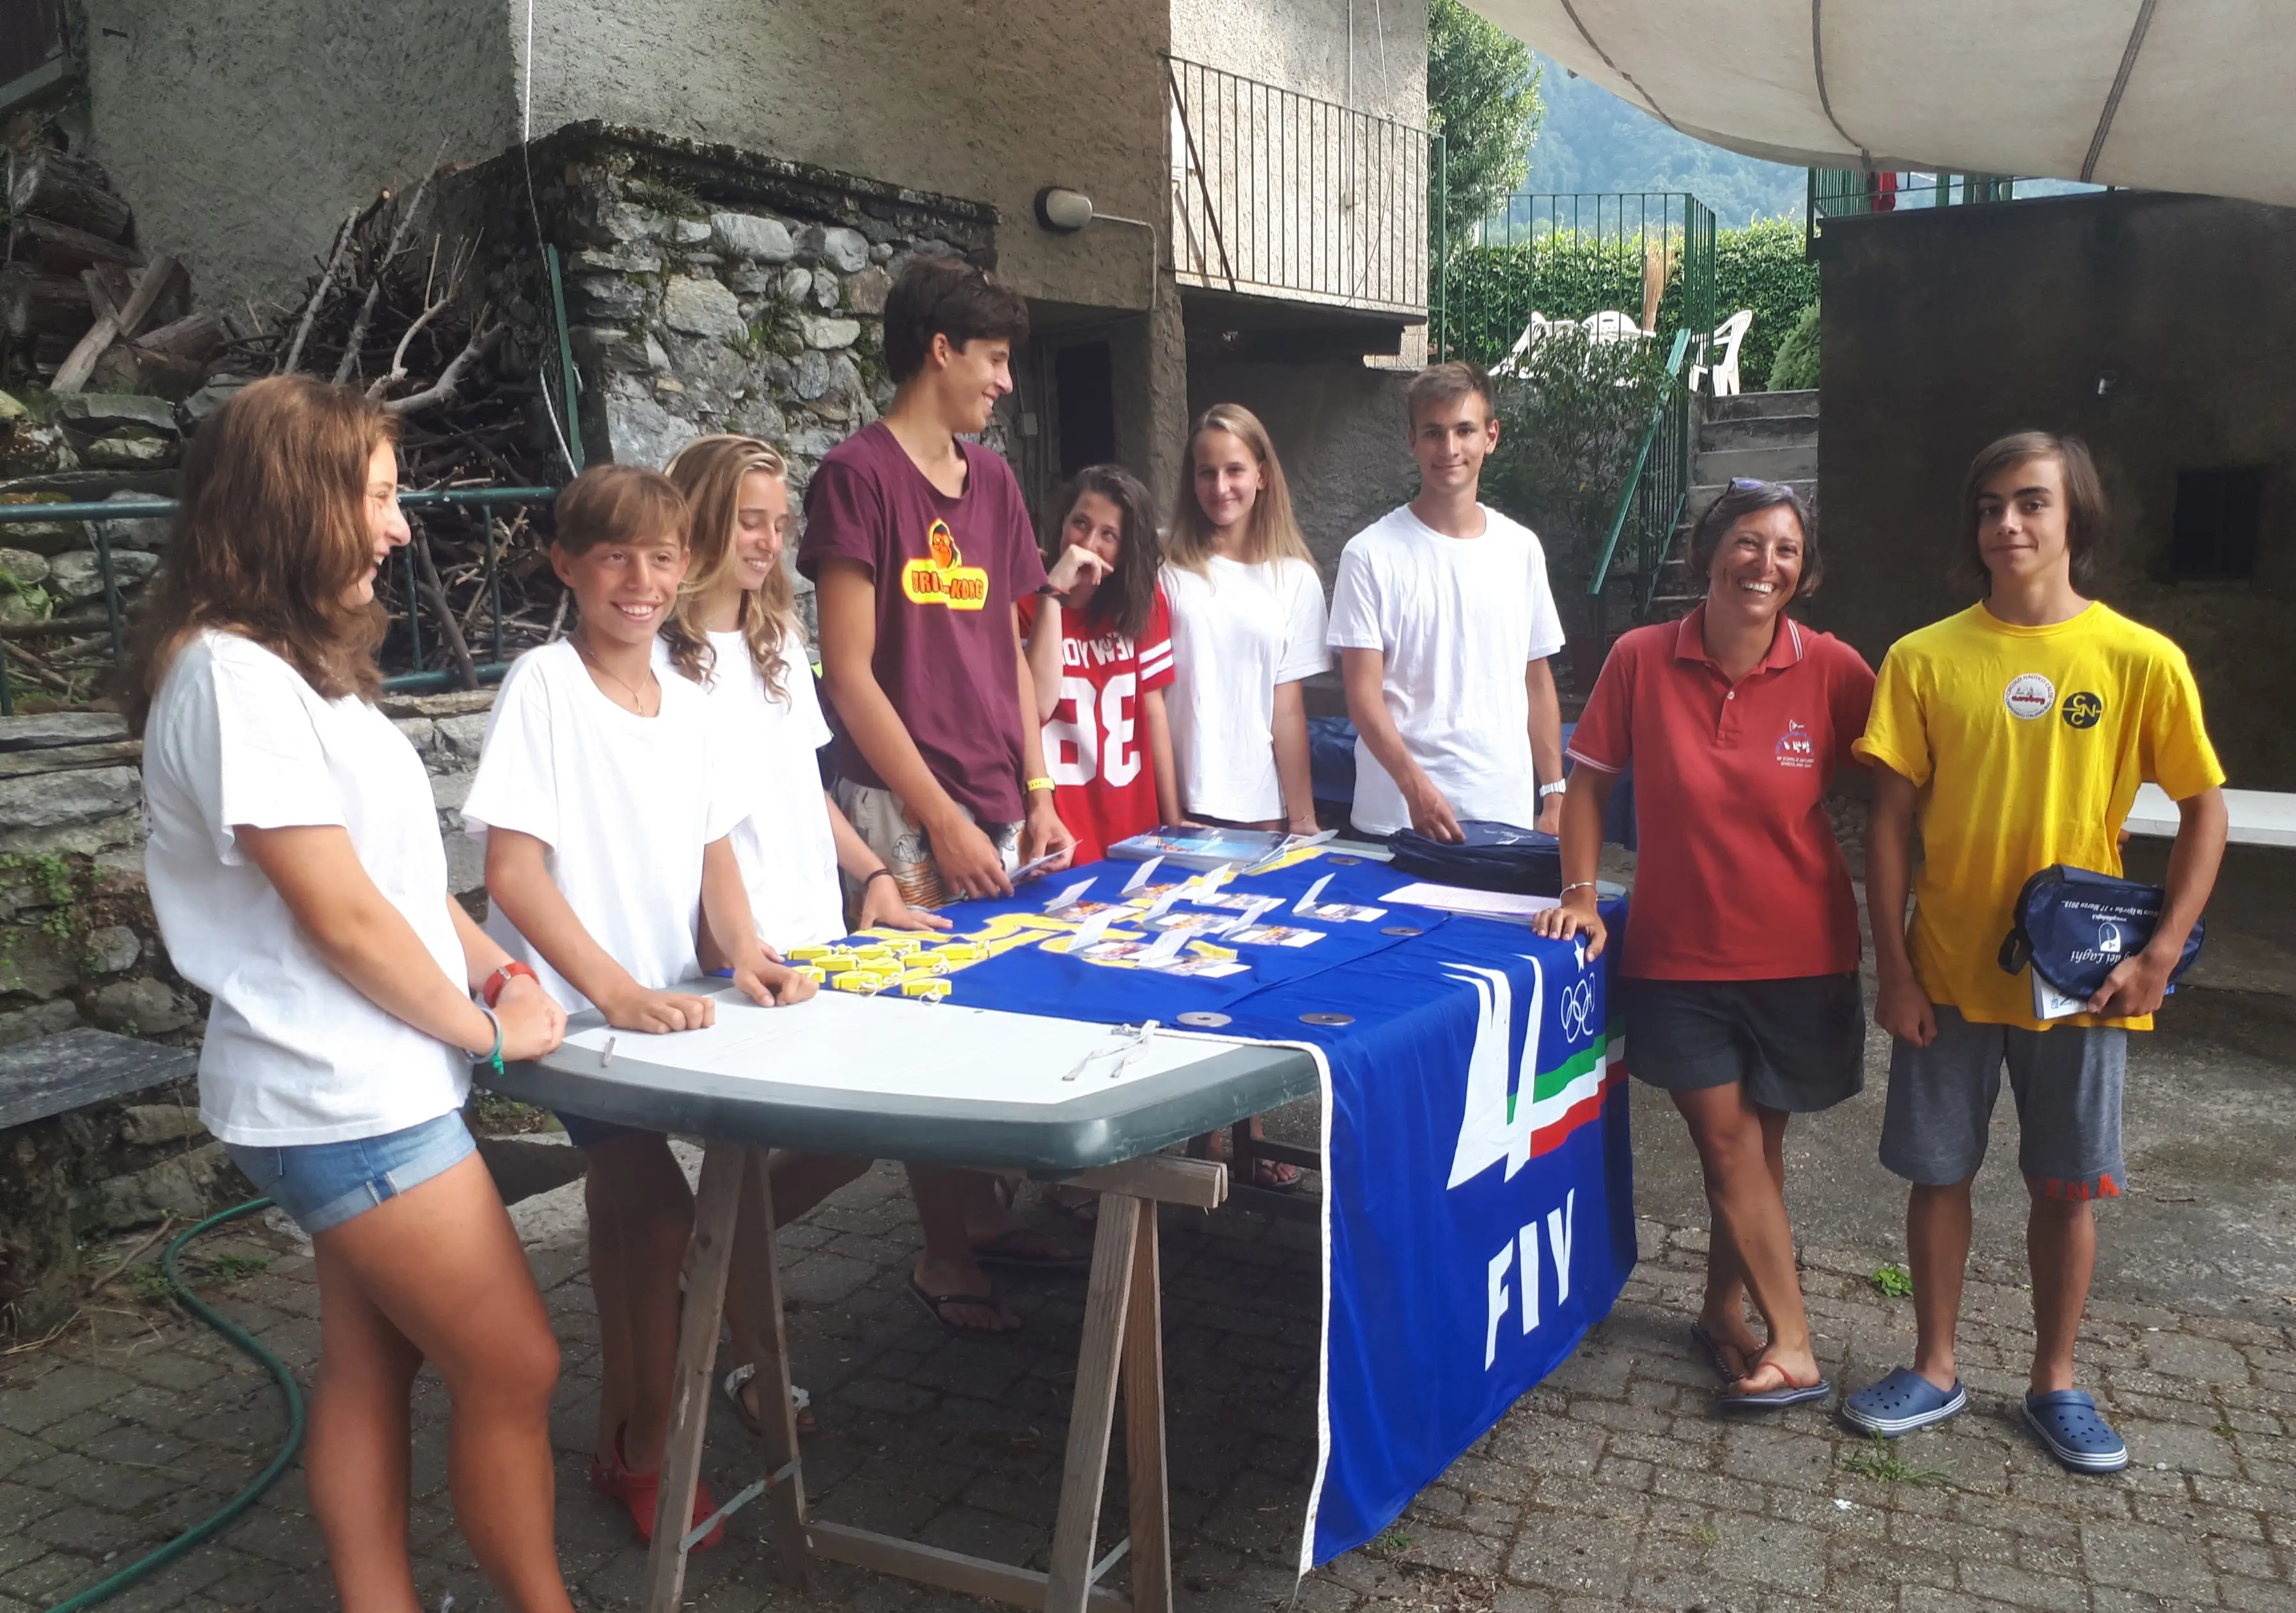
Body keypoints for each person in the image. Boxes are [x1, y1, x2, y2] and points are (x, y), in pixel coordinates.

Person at [133, 375, 577, 1613]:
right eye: (377, 495)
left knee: (373, 1366)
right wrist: (486, 1035)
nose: (398, 524)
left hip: (363, 1085)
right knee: (516, 1363)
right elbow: (335, 913)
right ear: (295, 501)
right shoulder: (230, 679)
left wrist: (492, 960)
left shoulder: (302, 669)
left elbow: (390, 878)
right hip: (345, 1097)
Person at [1846, 432, 2226, 1471]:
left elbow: (2205, 812)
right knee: (1938, 1174)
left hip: (2082, 985)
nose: (2006, 524)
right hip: (1948, 973)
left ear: (2075, 520)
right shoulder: (1922, 658)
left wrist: (2159, 956)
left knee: (2068, 1185)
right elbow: (1887, 824)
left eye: (2030, 503)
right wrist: (1896, 967)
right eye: (1987, 506)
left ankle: (2055, 1381)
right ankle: (1932, 1363)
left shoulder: (2140, 659)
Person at [465, 463, 815, 1546]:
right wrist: (617, 989)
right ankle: (650, 1448)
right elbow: (514, 875)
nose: (641, 577)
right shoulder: (543, 683)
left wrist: (746, 953)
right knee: (663, 1211)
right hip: (572, 1025)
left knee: (632, 1220)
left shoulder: (689, 691)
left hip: (666, 1015)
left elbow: (715, 849)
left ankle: (625, 1430)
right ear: (566, 564)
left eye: (662, 555)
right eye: (614, 553)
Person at [1533, 479, 1874, 1408]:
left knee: (1756, 1148)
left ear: (1802, 572)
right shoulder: (1641, 658)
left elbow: (1900, 779)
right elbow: (1588, 782)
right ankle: (1794, 1342)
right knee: (1724, 1145)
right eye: (1748, 542)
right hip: (1678, 956)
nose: (1765, 563)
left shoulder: (1834, 668)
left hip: (1803, 954)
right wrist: (1580, 894)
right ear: (1706, 551)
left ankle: (1722, 1308)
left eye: (1786, 550)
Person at [797, 256, 1085, 1336]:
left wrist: (1039, 786)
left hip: (994, 797)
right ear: (940, 350)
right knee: (922, 1017)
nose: (1005, 383)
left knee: (994, 1012)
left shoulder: (996, 482)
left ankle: (980, 1209)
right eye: (996, 358)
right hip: (897, 803)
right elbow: (850, 677)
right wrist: (941, 816)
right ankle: (944, 1249)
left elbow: (1012, 650)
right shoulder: (856, 476)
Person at [655, 432, 948, 1423]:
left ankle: (695, 1258)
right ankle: (746, 1360)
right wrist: (734, 941)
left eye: (779, 524)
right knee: (748, 1154)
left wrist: (870, 874)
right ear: (696, 514)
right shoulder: (661, 658)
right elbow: (690, 822)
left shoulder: (777, 641)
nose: (768, 542)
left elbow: (802, 789)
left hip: (818, 929)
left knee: (848, 1143)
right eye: (748, 519)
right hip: (736, 952)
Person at [1328, 361, 1568, 841]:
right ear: (1411, 439)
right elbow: (1362, 696)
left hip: (1501, 810)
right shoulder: (1368, 554)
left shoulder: (1520, 549)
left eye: (1464, 430)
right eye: (1434, 433)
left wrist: (1555, 794)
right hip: (1395, 817)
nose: (1450, 448)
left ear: (1490, 436)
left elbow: (1535, 681)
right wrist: (1414, 786)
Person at [1161, 403, 1329, 832]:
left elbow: (1287, 711)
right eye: (1206, 472)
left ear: (1261, 475)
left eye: (1234, 470)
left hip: (1258, 809)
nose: (1220, 487)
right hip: (1171, 805)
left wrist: (1303, 819)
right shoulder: (1161, 563)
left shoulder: (1294, 579)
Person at [1020, 463, 1180, 862]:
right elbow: (1035, 704)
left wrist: (1173, 821)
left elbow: (1153, 709)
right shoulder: (1023, 600)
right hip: (1057, 825)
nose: (1088, 544)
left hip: (1131, 825)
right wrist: (1052, 594)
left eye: (1108, 535)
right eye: (1080, 523)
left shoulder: (1145, 604)